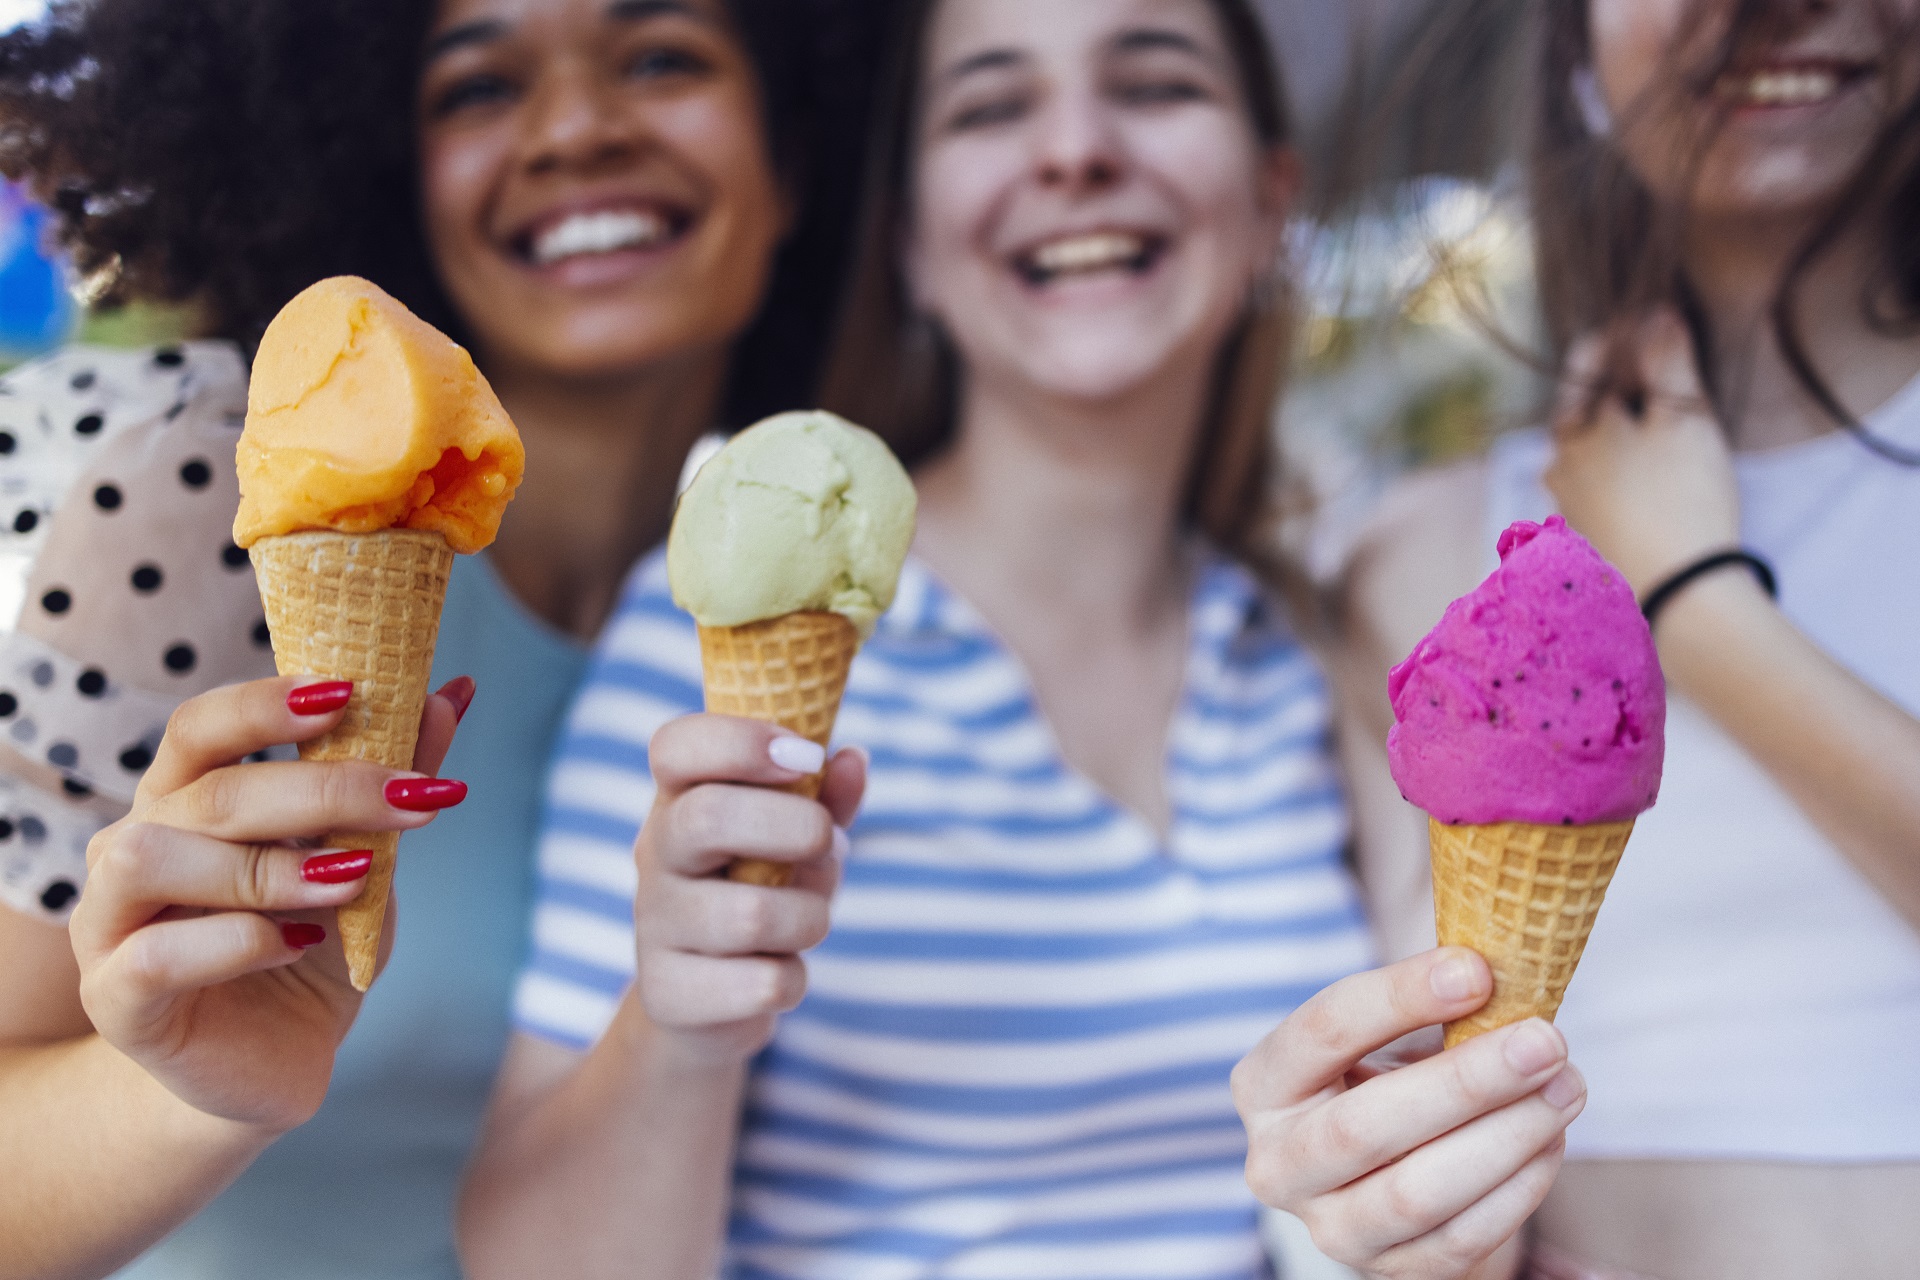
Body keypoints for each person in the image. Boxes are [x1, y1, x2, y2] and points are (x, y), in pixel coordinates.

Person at [459, 2, 1585, 1278]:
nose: (1074, 150)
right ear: (911, 243)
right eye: (991, 106)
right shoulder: (721, 628)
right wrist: (678, 1030)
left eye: (1154, 85)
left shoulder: (1300, 656)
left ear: (1273, 198)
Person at [0, 1, 880, 1276]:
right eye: (480, 87)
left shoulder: (812, 582)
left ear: (793, 158)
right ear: (388, 161)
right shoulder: (211, 498)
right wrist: (183, 1095)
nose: (576, 128)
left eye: (660, 58)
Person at [1263, 0, 1920, 1275]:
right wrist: (1377, 1213)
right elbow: (1412, 1094)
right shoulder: (1425, 552)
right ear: (1571, 49)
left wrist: (1696, 596)